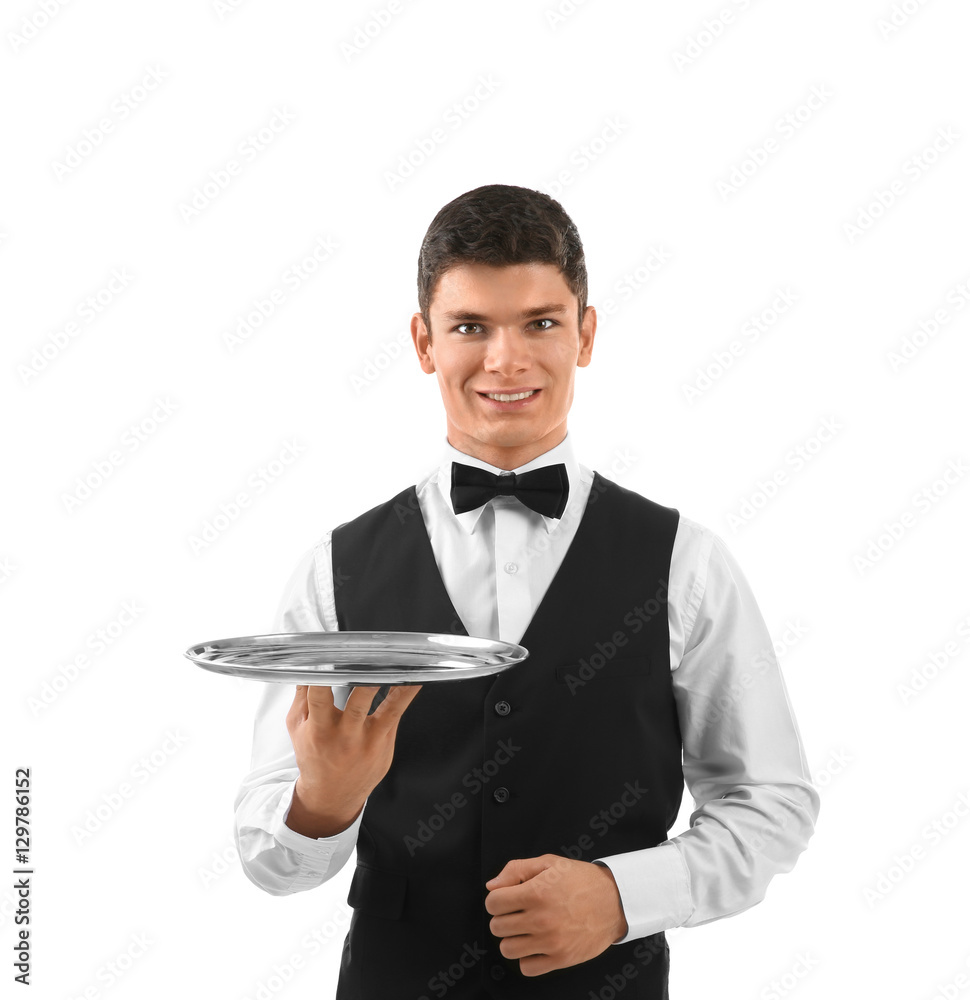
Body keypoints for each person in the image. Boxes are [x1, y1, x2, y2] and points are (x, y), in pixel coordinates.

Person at [233, 183, 820, 998]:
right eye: (470, 326)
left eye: (540, 323)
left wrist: (620, 898)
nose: (505, 361)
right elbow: (272, 867)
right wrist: (321, 807)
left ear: (585, 333)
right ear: (422, 341)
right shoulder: (335, 569)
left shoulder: (686, 562)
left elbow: (772, 804)